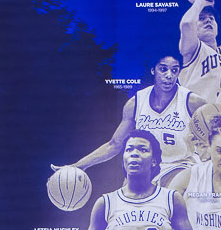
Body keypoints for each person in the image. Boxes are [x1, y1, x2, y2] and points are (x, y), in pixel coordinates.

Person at [78, 131, 198, 230]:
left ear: (154, 161)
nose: (134, 154)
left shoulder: (172, 198)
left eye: (143, 149)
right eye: (129, 150)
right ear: (123, 160)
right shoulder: (105, 203)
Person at [60, 54, 196, 182]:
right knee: (126, 192)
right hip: (147, 168)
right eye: (163, 69)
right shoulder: (136, 103)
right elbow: (114, 145)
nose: (169, 75)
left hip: (180, 166)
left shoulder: (192, 101)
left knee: (167, 191)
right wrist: (79, 166)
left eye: (174, 70)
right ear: (153, 70)